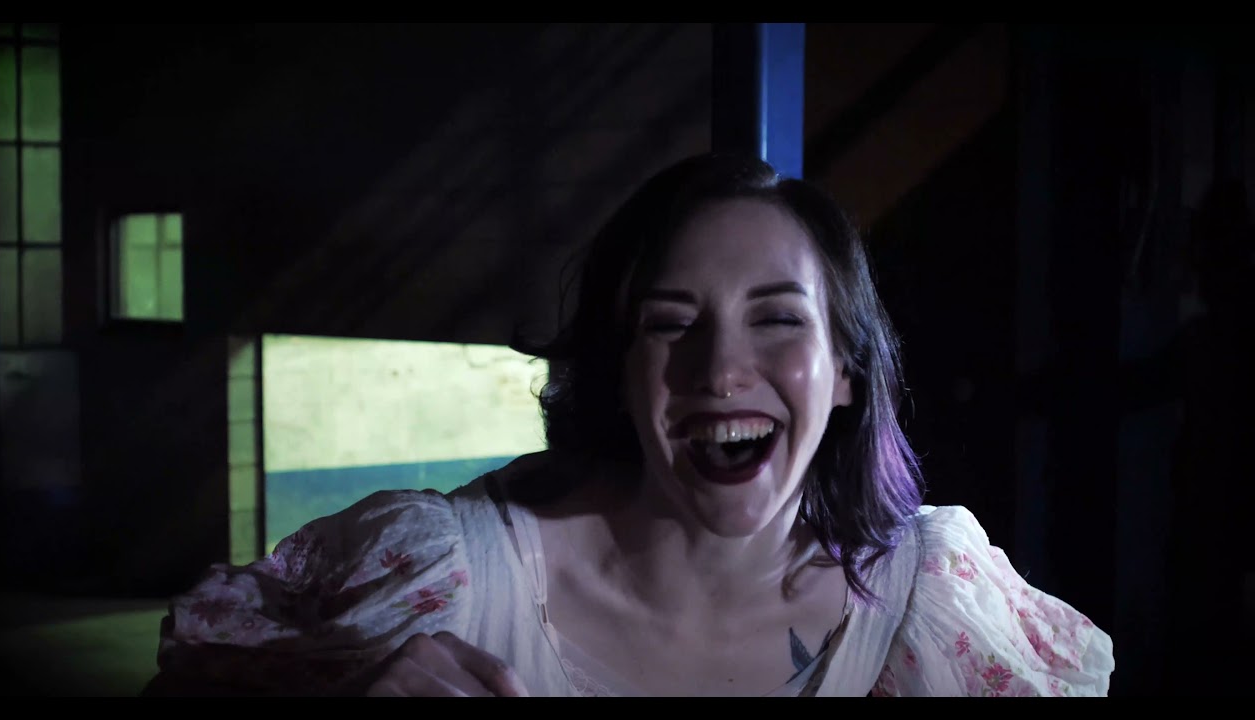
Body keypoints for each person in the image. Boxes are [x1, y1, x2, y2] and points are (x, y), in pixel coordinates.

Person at [143, 152, 1114, 697]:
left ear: (846, 373)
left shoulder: (925, 610)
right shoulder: (443, 581)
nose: (720, 371)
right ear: (618, 366)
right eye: (669, 323)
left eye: (777, 319)